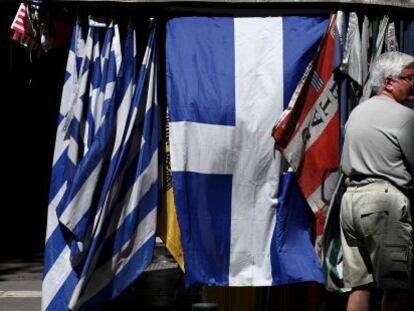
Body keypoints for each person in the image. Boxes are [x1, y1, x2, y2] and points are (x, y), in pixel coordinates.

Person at [340, 51, 414, 311]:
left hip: (349, 202)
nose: (413, 83)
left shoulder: (357, 113)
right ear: (388, 82)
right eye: (410, 77)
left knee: (359, 288)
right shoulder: (404, 116)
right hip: (383, 203)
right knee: (397, 288)